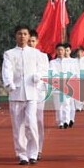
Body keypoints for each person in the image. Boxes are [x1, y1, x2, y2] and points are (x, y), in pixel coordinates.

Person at [2, 25, 48, 165]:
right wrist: (9, 84)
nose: (22, 36)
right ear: (15, 36)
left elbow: (43, 69)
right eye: (19, 34)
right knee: (18, 125)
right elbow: (7, 70)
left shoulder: (36, 54)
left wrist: (38, 77)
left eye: (25, 34)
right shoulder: (9, 54)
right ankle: (22, 154)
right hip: (16, 93)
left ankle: (33, 152)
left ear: (29, 36)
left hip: (32, 93)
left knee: (31, 122)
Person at [28, 30, 50, 160]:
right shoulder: (21, 55)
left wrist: (39, 78)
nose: (31, 43)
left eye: (33, 41)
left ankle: (39, 148)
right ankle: (29, 149)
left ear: (37, 42)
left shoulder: (43, 56)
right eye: (29, 41)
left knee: (39, 120)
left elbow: (46, 72)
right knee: (27, 122)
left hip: (39, 92)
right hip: (26, 92)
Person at [49, 43, 75, 129]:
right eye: (58, 50)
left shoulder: (70, 62)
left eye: (62, 50)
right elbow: (52, 73)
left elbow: (73, 73)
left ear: (64, 51)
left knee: (66, 104)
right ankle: (60, 121)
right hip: (57, 86)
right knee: (58, 105)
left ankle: (66, 121)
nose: (60, 52)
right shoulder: (52, 62)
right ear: (56, 51)